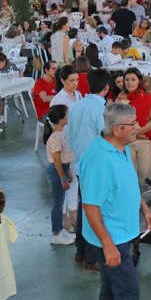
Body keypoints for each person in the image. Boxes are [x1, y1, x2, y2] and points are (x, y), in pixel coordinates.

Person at [80, 102, 151, 300]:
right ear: (117, 129)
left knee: (111, 290)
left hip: (121, 232)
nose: (137, 127)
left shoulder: (119, 148)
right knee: (128, 293)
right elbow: (90, 206)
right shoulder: (100, 160)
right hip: (113, 238)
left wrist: (143, 206)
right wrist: (108, 245)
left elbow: (126, 183)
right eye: (132, 124)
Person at [68, 69, 112, 271]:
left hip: (80, 163)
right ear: (106, 88)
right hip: (96, 165)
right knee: (95, 211)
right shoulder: (101, 110)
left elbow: (71, 135)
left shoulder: (78, 106)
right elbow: (106, 136)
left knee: (84, 205)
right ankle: (92, 257)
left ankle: (80, 250)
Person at [115, 68, 151, 184]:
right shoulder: (120, 97)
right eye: (127, 79)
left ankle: (144, 201)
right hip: (126, 143)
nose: (129, 82)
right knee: (128, 176)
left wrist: (138, 132)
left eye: (133, 79)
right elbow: (115, 121)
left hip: (143, 141)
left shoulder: (146, 97)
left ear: (139, 81)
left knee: (145, 178)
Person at [43, 105, 76, 246]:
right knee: (58, 203)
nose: (69, 117)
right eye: (67, 115)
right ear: (61, 119)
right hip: (57, 171)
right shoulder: (55, 137)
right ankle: (56, 233)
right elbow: (57, 160)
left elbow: (63, 157)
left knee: (60, 201)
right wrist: (63, 177)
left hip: (63, 168)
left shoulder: (61, 133)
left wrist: (68, 171)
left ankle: (60, 230)